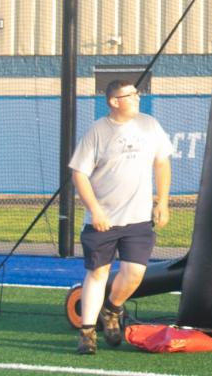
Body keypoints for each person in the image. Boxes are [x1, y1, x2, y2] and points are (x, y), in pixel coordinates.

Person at [69, 79, 172, 355]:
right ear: (115, 102)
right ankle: (87, 333)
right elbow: (79, 173)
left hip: (138, 219)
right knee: (98, 273)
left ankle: (112, 309)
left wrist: (162, 202)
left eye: (137, 94)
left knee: (135, 274)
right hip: (102, 221)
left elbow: (162, 162)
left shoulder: (150, 125)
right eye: (131, 95)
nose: (138, 98)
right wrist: (96, 211)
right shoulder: (97, 131)